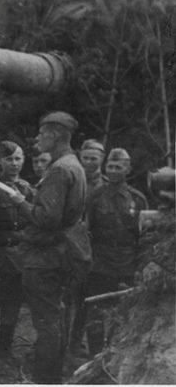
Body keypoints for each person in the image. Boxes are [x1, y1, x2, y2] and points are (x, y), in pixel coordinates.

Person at [8, 111, 89, 384]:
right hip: (62, 254)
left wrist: (20, 201)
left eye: (42, 133)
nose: (37, 138)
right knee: (57, 317)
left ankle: (45, 379)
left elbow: (47, 218)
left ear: (54, 135)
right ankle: (53, 376)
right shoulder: (73, 164)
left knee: (46, 323)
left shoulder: (58, 169)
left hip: (46, 258)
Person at [82, 148, 147, 354]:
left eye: (118, 167)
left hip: (127, 263)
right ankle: (95, 355)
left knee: (124, 312)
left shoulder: (137, 199)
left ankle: (115, 354)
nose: (112, 171)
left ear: (127, 169)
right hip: (100, 262)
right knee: (95, 311)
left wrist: (141, 266)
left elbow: (144, 237)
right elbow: (85, 230)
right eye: (109, 166)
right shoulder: (94, 197)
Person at [0, 141, 35, 357]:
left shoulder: (26, 189)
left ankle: (4, 349)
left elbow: (33, 221)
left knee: (13, 303)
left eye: (18, 158)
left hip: (20, 255)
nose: (14, 163)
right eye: (9, 159)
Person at [69, 138, 107, 355]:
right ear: (80, 157)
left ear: (102, 159)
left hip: (99, 251)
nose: (90, 162)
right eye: (86, 158)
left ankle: (96, 348)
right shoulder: (73, 179)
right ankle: (72, 343)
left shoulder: (107, 185)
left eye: (94, 158)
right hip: (74, 248)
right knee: (75, 298)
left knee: (93, 299)